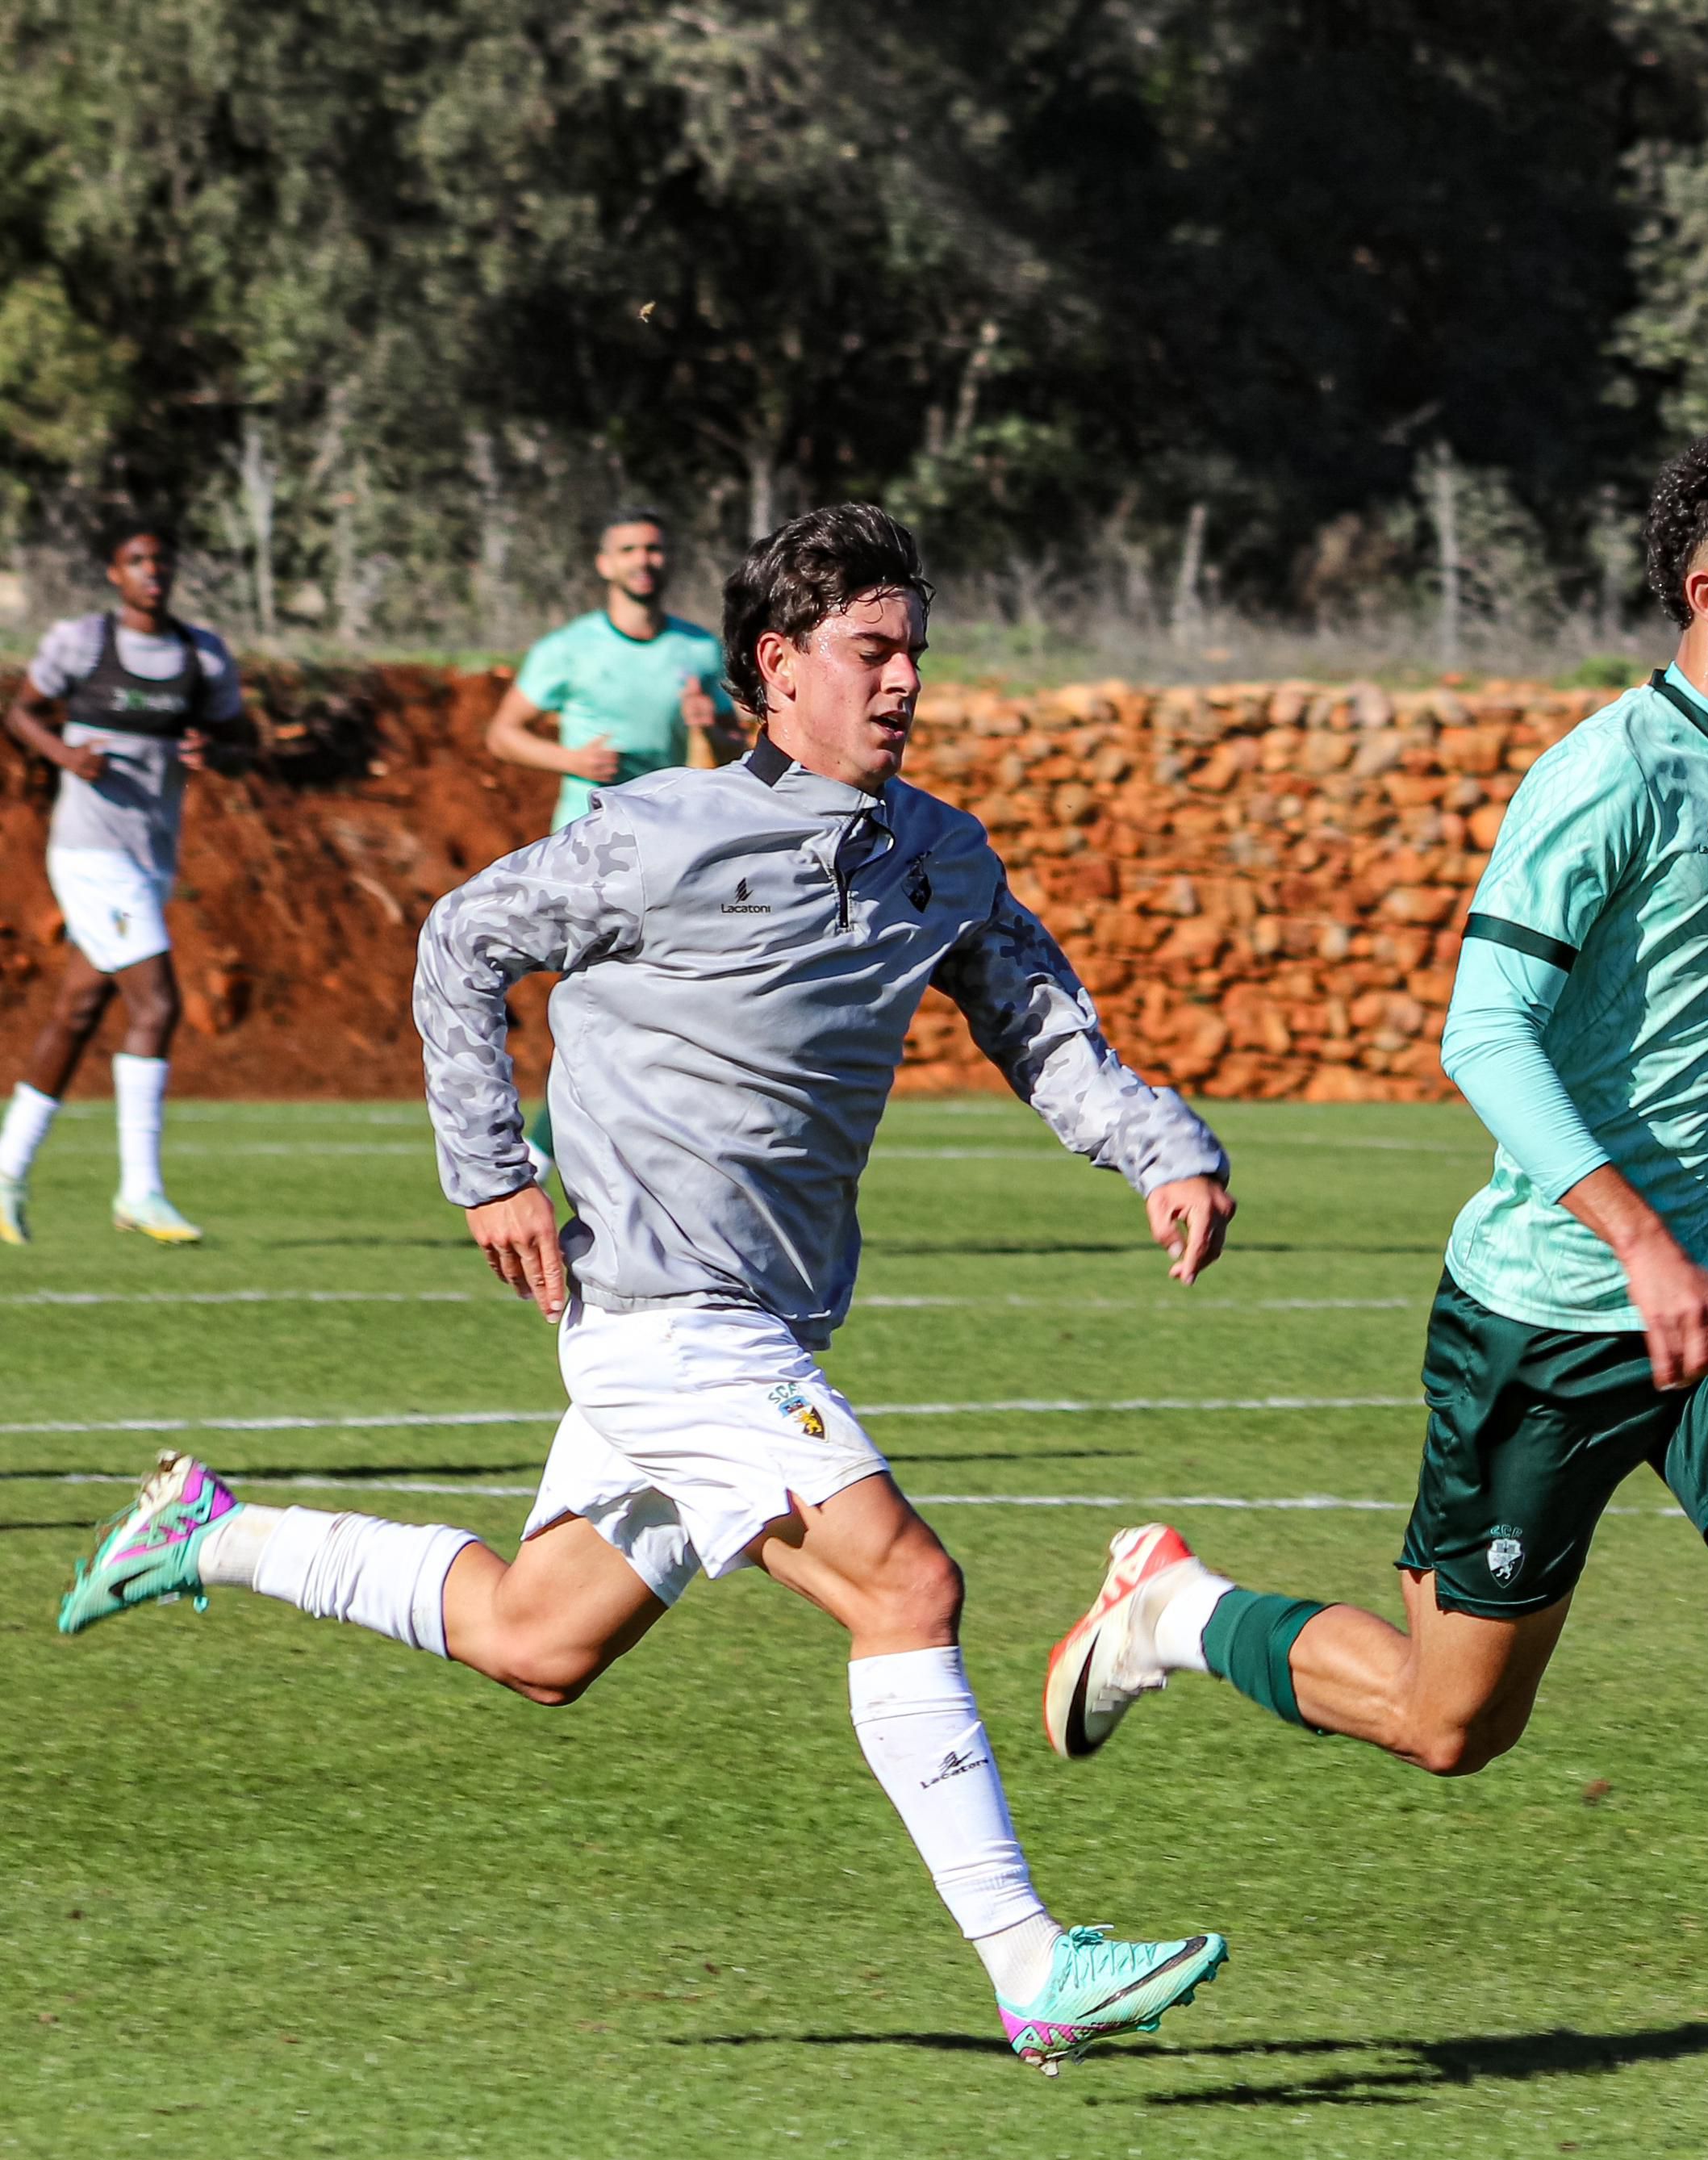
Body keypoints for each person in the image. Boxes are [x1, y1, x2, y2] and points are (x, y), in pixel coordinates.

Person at [56, 503, 1239, 2073]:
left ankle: (212, 1531)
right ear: (778, 665)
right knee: (909, 1585)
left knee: (536, 1641)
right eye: (871, 654)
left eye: (914, 656)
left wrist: (1159, 1146)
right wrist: (490, 1165)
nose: (902, 685)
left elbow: (1044, 1028)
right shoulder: (663, 834)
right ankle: (1034, 1968)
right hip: (666, 1317)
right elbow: (463, 939)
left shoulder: (940, 857)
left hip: (760, 1314)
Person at [1035, 412, 1708, 2160]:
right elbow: (1480, 1034)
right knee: (1453, 1725)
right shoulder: (1608, 776)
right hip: (1545, 1318)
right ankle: (1175, 1615)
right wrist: (1634, 1241)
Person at [0, 523, 252, 1247]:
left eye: (161, 559)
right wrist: (61, 755)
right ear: (114, 572)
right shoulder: (83, 643)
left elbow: (243, 742)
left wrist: (216, 750)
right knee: (158, 1001)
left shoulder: (201, 653)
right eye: (137, 560)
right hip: (89, 852)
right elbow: (20, 711)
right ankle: (140, 1192)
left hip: (150, 857)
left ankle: (9, 1170)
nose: (152, 570)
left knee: (78, 1011)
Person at [489, 508, 733, 829]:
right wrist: (572, 761)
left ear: (669, 560)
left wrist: (711, 729)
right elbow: (501, 735)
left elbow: (734, 749)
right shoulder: (567, 648)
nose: (642, 560)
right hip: (588, 834)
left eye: (653, 549)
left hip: (667, 831)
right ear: (604, 564)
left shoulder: (701, 648)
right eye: (628, 550)